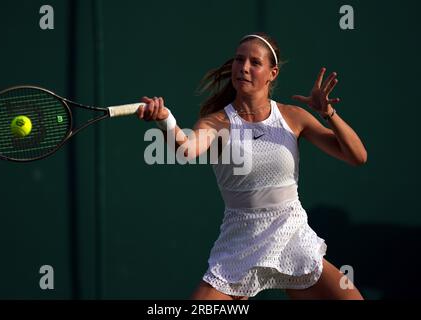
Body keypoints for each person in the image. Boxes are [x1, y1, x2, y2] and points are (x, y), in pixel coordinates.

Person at [136, 32, 367, 300]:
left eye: (254, 62)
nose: (243, 67)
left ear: (272, 73)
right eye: (238, 59)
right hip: (241, 241)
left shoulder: (293, 117)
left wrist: (328, 114)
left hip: (291, 234)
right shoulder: (217, 122)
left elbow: (357, 156)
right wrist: (165, 119)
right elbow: (187, 149)